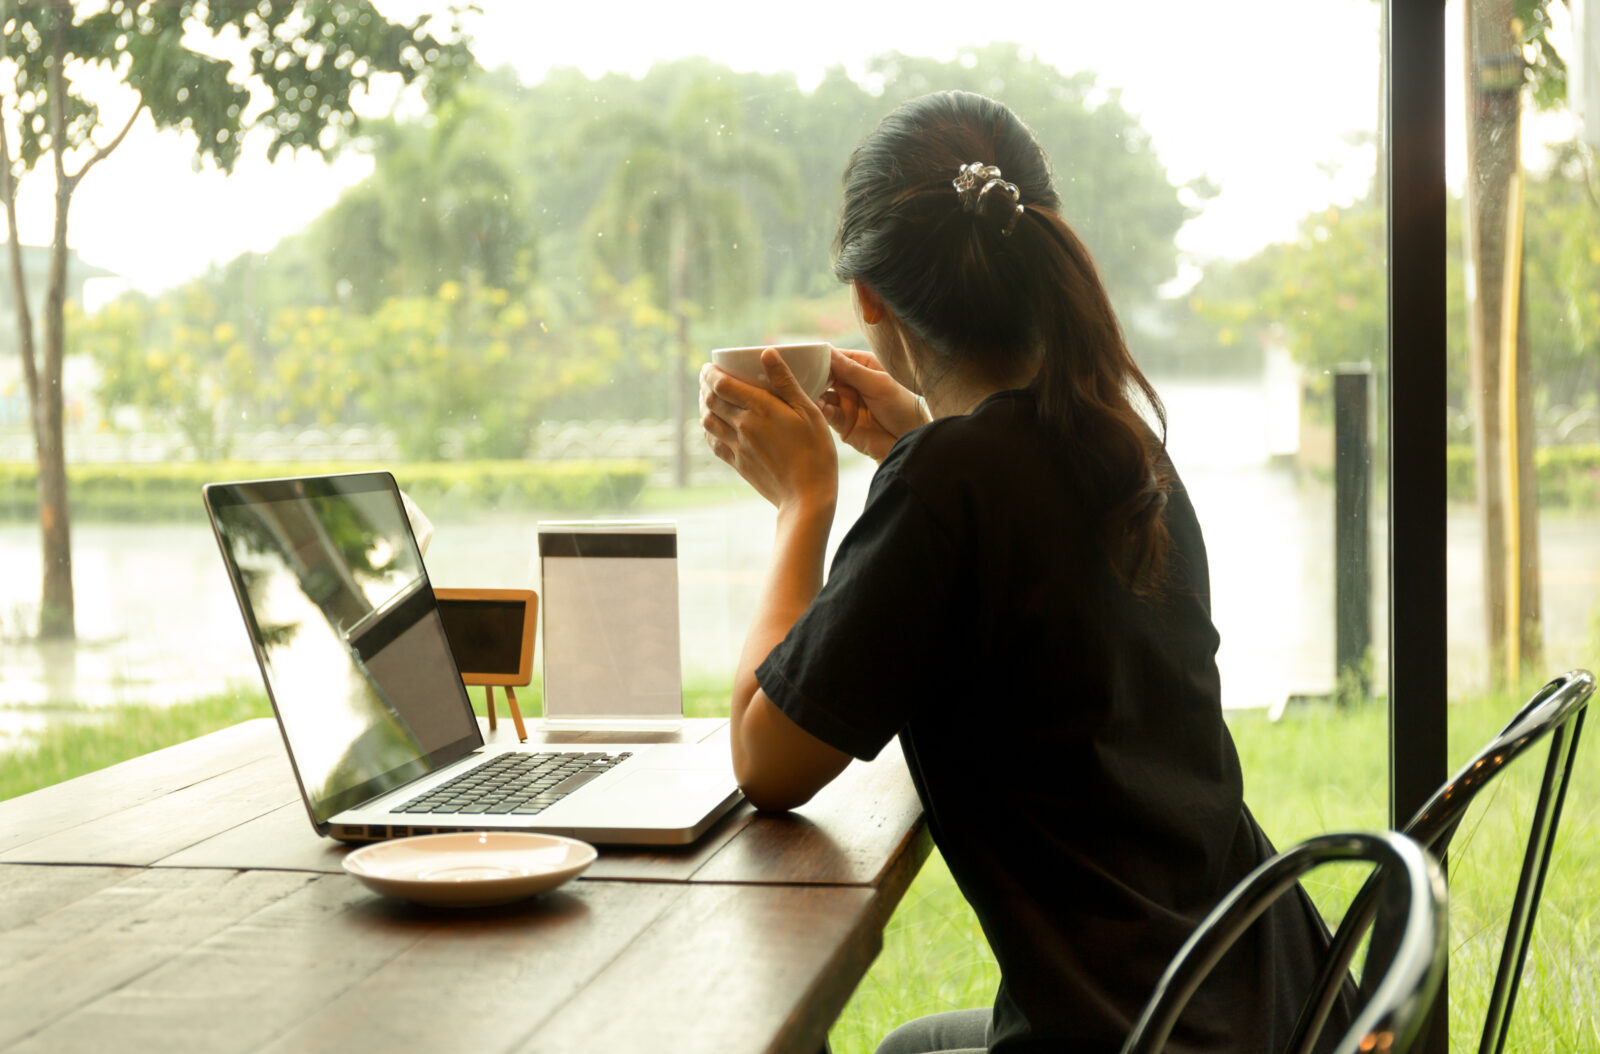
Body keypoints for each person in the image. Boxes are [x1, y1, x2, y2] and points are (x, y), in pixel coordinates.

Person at [698, 90, 1345, 1054]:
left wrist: (804, 504)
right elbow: (1018, 551)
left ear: (869, 299)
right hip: (1274, 998)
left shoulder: (948, 490)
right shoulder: (1122, 449)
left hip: (1132, 1031)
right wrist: (917, 448)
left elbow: (767, 761)